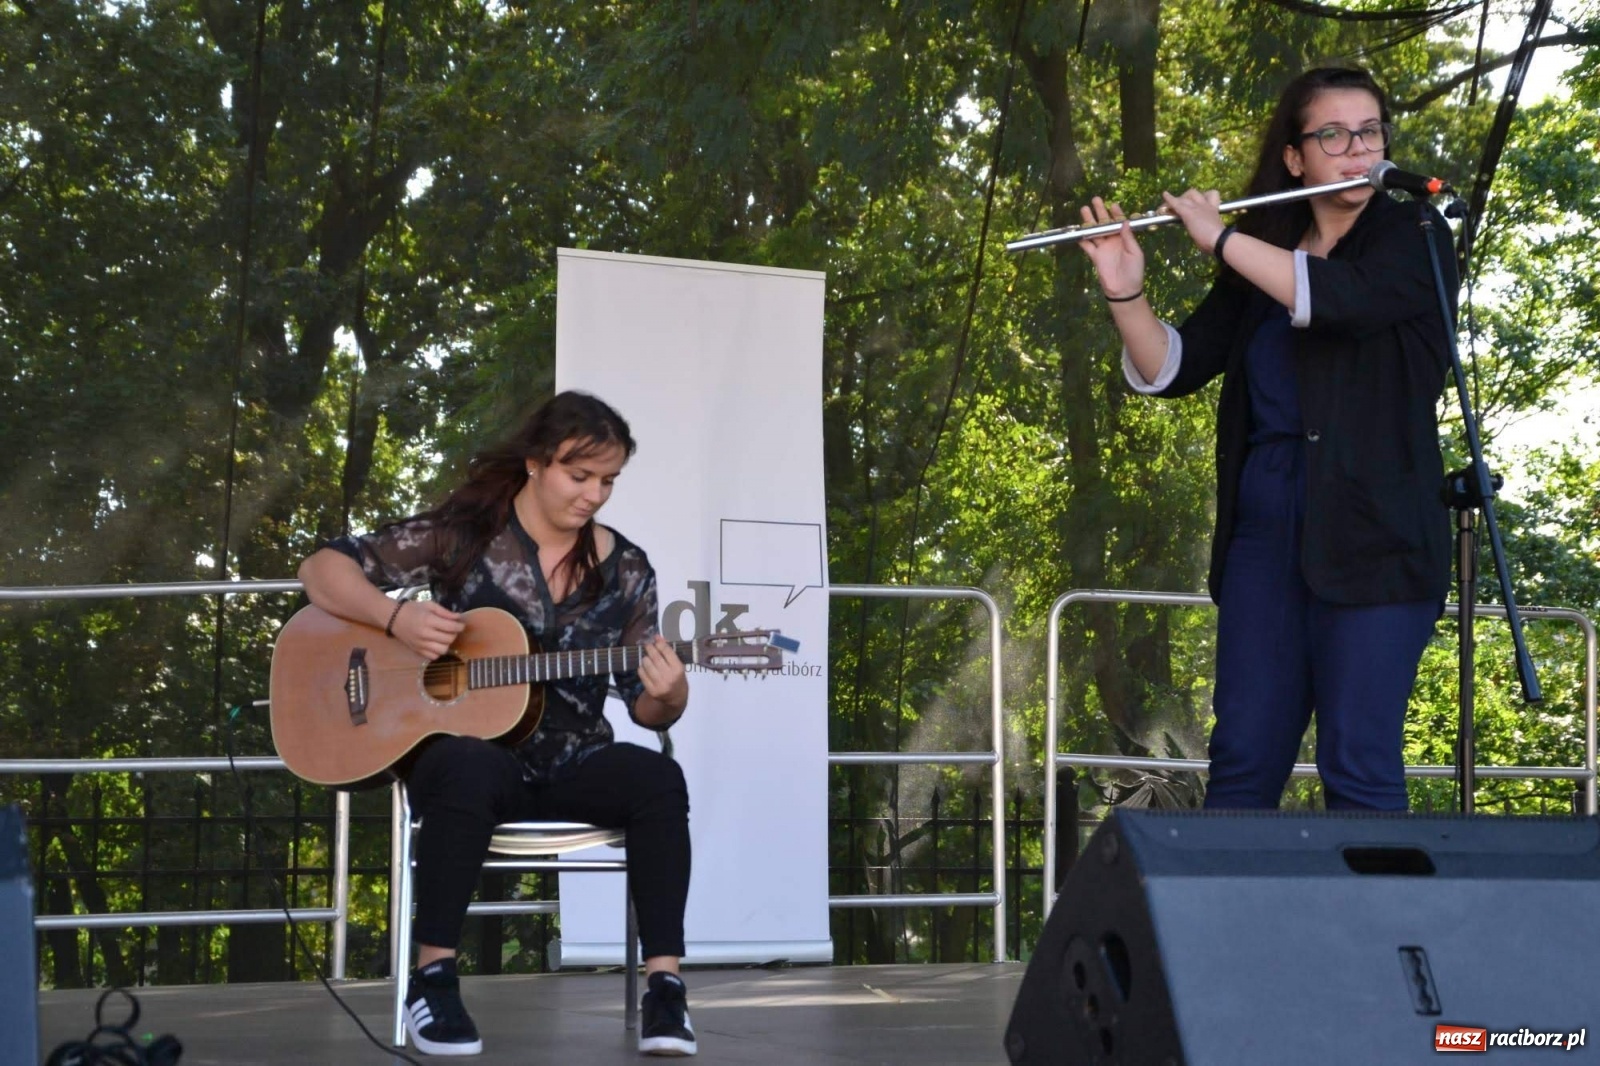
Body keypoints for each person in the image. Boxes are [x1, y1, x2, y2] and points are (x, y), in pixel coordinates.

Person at [1077, 66, 1456, 811]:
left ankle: (1376, 933)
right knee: (1244, 758)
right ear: (1294, 157)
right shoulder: (1264, 251)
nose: (1357, 149)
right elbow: (1175, 366)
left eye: (1370, 131)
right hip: (1265, 532)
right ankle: (1229, 930)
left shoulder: (1412, 235)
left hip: (1377, 536)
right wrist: (1127, 291)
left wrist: (1219, 238)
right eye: (1333, 135)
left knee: (1359, 763)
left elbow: (1335, 299)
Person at [298, 390, 697, 1057]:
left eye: (609, 480)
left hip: (575, 761)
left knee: (658, 778)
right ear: (537, 462)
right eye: (580, 475)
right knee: (464, 763)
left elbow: (644, 703)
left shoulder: (624, 568)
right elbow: (321, 570)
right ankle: (433, 981)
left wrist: (671, 694)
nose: (595, 494)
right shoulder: (464, 532)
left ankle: (666, 991)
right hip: (474, 760)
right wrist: (396, 618)